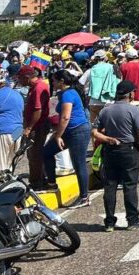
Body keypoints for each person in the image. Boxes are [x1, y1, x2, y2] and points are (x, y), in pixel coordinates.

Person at [91, 80, 139, 232]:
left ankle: (109, 222)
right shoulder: (134, 110)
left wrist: (108, 139)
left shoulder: (105, 110)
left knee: (110, 186)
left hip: (110, 150)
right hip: (129, 149)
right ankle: (132, 219)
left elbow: (95, 132)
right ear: (129, 94)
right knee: (129, 185)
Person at [43, 70, 92, 207]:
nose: (52, 83)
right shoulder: (66, 93)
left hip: (78, 131)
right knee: (47, 152)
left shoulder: (68, 94)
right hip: (69, 131)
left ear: (61, 81)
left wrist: (58, 135)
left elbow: (65, 117)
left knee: (79, 163)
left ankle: (84, 197)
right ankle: (52, 184)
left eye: (54, 80)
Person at [19, 66, 51, 190]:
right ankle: (40, 179)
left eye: (20, 78)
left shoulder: (38, 88)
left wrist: (29, 127)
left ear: (27, 78)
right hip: (37, 126)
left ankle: (36, 183)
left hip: (38, 126)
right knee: (33, 154)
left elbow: (38, 110)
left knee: (35, 155)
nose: (19, 81)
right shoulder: (35, 87)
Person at [0, 75, 23, 177]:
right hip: (18, 131)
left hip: (2, 131)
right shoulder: (17, 94)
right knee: (10, 163)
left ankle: (0, 190)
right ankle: (8, 186)